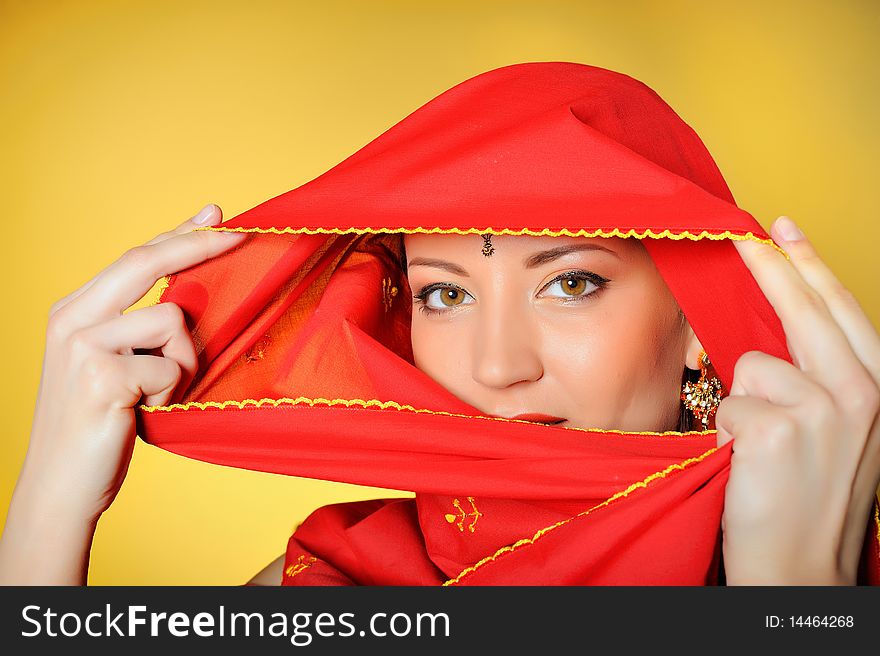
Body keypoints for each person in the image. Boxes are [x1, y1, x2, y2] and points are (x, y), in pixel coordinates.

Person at [1, 62, 878, 586]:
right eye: (445, 295)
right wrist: (49, 512)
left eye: (571, 283)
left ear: (699, 314)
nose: (495, 368)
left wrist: (798, 593)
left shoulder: (831, 544)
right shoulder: (349, 581)